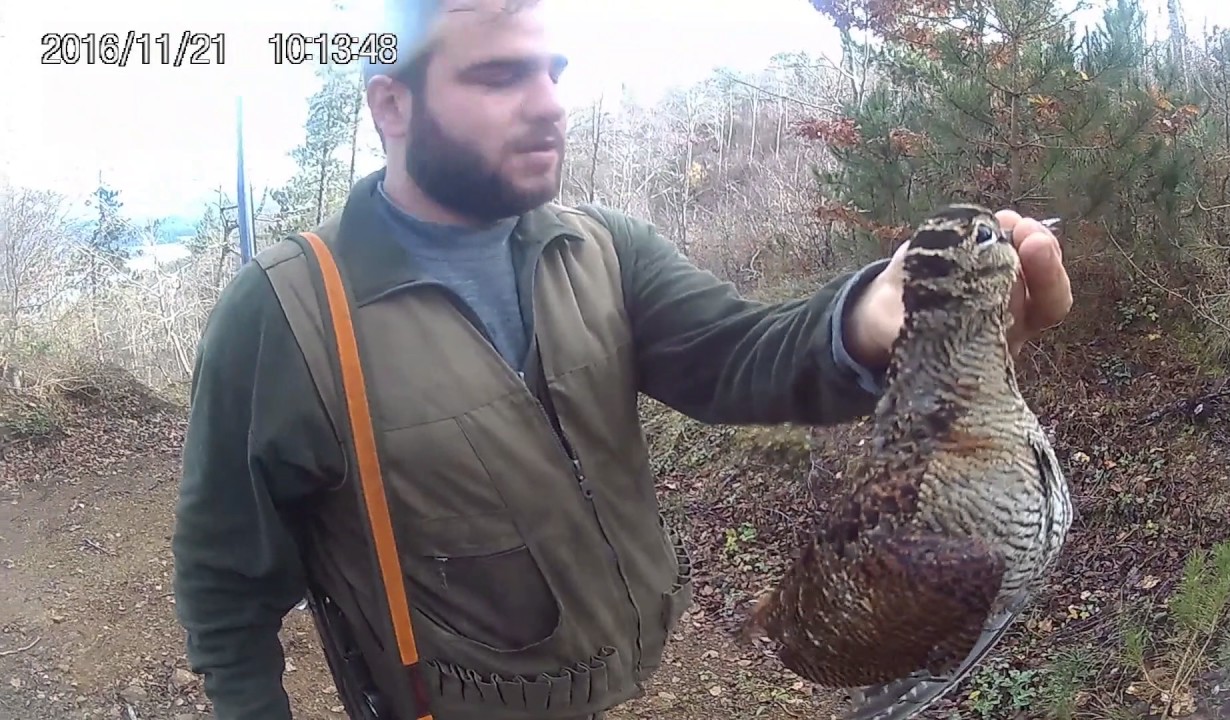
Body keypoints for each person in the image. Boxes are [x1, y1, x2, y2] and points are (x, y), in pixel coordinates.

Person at [170, 1, 1074, 719]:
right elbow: (225, 581)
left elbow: (733, 356)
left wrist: (872, 317)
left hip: (603, 676)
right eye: (499, 75)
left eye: (552, 71)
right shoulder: (287, 313)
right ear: (391, 103)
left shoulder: (601, 248)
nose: (551, 103)